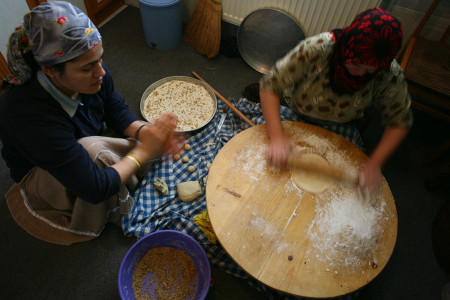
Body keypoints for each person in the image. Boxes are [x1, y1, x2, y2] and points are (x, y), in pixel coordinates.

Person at [0, 1, 181, 245]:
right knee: (93, 152)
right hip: (42, 174)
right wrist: (144, 150)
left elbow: (114, 108)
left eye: (100, 59)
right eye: (87, 68)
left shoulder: (93, 72)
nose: (101, 72)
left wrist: (143, 130)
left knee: (105, 147)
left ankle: (121, 169)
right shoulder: (27, 116)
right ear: (50, 70)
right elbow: (93, 187)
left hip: (79, 142)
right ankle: (108, 203)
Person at [259, 7, 413, 192]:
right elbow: (269, 86)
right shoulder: (317, 49)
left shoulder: (388, 72)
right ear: (348, 46)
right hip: (296, 112)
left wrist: (374, 163)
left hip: (342, 125)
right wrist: (277, 137)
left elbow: (400, 122)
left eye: (370, 70)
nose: (361, 73)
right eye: (356, 64)